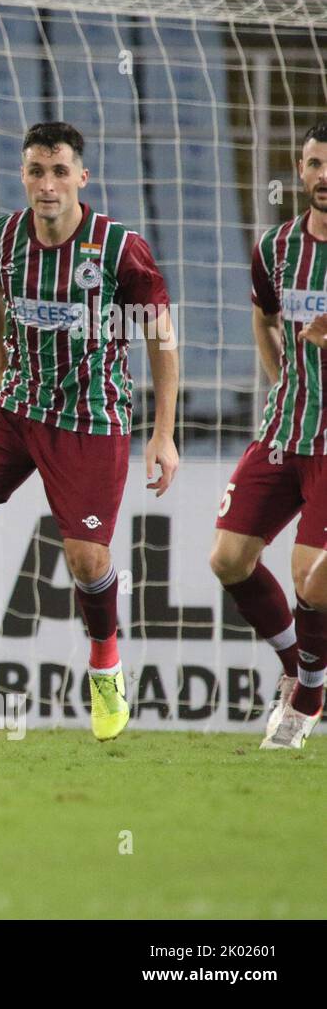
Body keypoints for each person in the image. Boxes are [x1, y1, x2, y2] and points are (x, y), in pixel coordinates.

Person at [0, 121, 179, 742]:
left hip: (90, 418)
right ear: (22, 175)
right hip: (18, 406)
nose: (46, 185)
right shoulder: (0, 238)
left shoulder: (117, 250)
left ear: (82, 176)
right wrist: (1, 364)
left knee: (86, 558)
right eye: (35, 171)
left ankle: (105, 666)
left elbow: (160, 336)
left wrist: (163, 433)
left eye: (58, 172)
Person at [245, 122, 327, 750]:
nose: (322, 176)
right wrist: (284, 382)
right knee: (227, 559)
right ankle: (294, 666)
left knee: (311, 579)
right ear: (299, 170)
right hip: (284, 430)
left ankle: (308, 695)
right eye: (312, 164)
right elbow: (265, 315)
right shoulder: (275, 246)